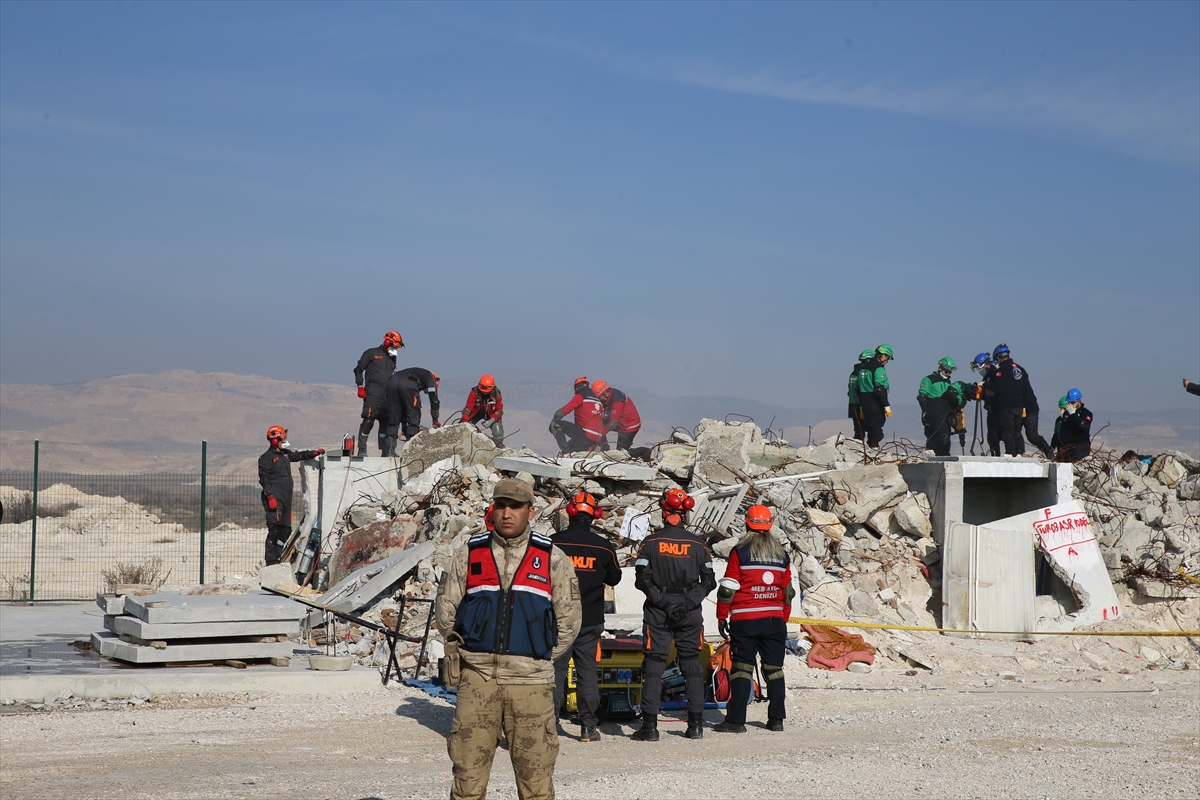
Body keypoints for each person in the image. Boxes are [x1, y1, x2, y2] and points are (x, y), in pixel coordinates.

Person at [434, 479, 582, 800]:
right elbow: (445, 613)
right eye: (501, 505)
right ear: (493, 509)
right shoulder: (468, 556)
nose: (507, 513)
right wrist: (472, 656)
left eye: (515, 506)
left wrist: (536, 656)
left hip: (531, 686)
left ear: (531, 511)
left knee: (536, 784)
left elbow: (569, 622)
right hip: (477, 682)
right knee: (467, 782)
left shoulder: (553, 559)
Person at [631, 488, 717, 742]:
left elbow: (641, 580)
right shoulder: (699, 544)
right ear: (685, 513)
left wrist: (665, 603)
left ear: (663, 511)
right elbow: (709, 582)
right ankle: (695, 726)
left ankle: (650, 727)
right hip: (689, 611)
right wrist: (688, 604)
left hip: (658, 610)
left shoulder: (650, 543)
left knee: (655, 667)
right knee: (691, 667)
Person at [713, 505, 793, 734]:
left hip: (745, 620)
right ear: (770, 525)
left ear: (747, 523)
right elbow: (787, 591)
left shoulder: (740, 551)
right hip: (773, 620)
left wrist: (721, 616)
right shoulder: (781, 554)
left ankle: (736, 722)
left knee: (741, 670)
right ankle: (776, 720)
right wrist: (783, 618)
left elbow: (728, 588)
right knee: (774, 670)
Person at [551, 491, 622, 742]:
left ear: (570, 512)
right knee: (587, 672)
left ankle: (550, 726)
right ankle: (588, 727)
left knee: (556, 671)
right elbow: (615, 578)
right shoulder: (602, 546)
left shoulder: (553, 543)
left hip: (558, 618)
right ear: (595, 515)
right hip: (590, 619)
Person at [258, 425, 324, 566]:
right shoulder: (266, 458)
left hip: (286, 498)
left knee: (285, 530)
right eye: (282, 439)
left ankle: (280, 555)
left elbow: (298, 455)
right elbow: (264, 479)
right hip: (274, 499)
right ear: (274, 440)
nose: (284, 441)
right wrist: (270, 496)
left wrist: (313, 453)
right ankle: (271, 560)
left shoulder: (285, 454)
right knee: (274, 529)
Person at [985, 344, 1051, 458]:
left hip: (1008, 407)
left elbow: (998, 387)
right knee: (1017, 432)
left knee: (1008, 432)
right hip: (1020, 406)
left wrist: (985, 384)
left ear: (998, 358)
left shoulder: (1002, 371)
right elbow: (1025, 389)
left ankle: (1012, 455)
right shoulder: (1020, 369)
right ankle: (1021, 453)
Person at [354, 330, 403, 456]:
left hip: (387, 396)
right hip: (373, 393)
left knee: (386, 422)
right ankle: (362, 448)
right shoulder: (371, 353)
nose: (395, 349)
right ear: (387, 341)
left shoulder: (393, 358)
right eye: (394, 346)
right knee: (368, 420)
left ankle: (386, 451)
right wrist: (360, 386)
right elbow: (358, 370)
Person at [385, 366, 440, 454]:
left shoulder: (415, 372)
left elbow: (403, 406)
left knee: (393, 418)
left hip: (391, 382)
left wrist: (403, 426)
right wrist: (435, 420)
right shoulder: (431, 378)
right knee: (414, 417)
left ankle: (389, 451)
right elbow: (434, 400)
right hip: (409, 385)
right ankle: (410, 451)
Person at [917, 358, 964, 456]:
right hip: (933, 411)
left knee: (946, 434)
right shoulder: (929, 379)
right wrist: (925, 411)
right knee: (941, 433)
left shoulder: (947, 382)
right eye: (946, 371)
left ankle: (942, 454)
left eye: (949, 372)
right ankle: (940, 454)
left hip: (945, 412)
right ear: (940, 368)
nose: (948, 374)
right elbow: (922, 396)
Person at [549, 377, 605, 454]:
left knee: (555, 425)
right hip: (597, 438)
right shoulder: (599, 401)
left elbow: (563, 411)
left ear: (577, 388)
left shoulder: (580, 396)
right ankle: (568, 453)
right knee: (572, 448)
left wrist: (554, 420)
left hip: (585, 435)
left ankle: (565, 453)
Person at [854, 344, 894, 448]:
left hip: (864, 403)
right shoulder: (878, 368)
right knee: (876, 427)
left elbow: (857, 388)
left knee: (868, 426)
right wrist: (886, 405)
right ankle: (873, 449)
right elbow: (879, 389)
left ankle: (868, 449)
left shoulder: (862, 368)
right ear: (883, 356)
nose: (887, 361)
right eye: (887, 358)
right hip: (875, 403)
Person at [592, 380, 642, 451]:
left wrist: (600, 435)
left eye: (599, 397)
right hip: (622, 424)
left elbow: (613, 423)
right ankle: (605, 447)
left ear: (605, 393)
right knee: (599, 426)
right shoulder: (608, 397)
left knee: (621, 452)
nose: (598, 399)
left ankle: (643, 451)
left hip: (629, 427)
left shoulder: (617, 402)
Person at [461, 374, 505, 446]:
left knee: (498, 430)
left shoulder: (497, 394)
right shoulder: (474, 392)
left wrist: (491, 421)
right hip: (476, 413)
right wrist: (464, 422)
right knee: (465, 428)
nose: (484, 392)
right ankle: (464, 445)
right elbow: (468, 409)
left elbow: (499, 410)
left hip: (491, 415)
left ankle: (498, 448)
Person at [970, 352, 1000, 456]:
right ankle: (994, 454)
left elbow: (997, 389)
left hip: (998, 410)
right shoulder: (987, 376)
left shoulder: (995, 373)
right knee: (991, 436)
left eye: (979, 367)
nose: (979, 370)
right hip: (990, 409)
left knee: (999, 434)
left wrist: (986, 386)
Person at [1056, 388, 1093, 462]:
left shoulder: (1086, 413)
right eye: (1069, 403)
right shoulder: (1067, 414)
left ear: (1079, 401)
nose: (1071, 405)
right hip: (1067, 449)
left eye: (1073, 403)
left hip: (1080, 449)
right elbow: (1063, 431)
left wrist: (1073, 415)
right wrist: (1060, 446)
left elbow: (1084, 427)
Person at [848, 350, 873, 441]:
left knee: (858, 428)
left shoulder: (853, 373)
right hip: (862, 404)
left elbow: (849, 390)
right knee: (869, 428)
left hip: (853, 402)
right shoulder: (863, 373)